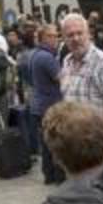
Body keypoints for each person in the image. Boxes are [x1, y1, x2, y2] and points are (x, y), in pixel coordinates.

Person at [60, 13, 103, 161]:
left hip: (98, 145)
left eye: (79, 33)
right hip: (76, 143)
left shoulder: (102, 62)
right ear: (63, 38)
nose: (75, 38)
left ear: (88, 34)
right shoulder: (67, 61)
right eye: (70, 35)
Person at [30, 23, 66, 184]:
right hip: (50, 105)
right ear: (43, 38)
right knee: (56, 143)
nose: (55, 39)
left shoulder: (36, 54)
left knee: (46, 143)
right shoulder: (46, 57)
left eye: (56, 35)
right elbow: (62, 79)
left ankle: (48, 175)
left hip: (40, 104)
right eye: (51, 36)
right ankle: (58, 177)